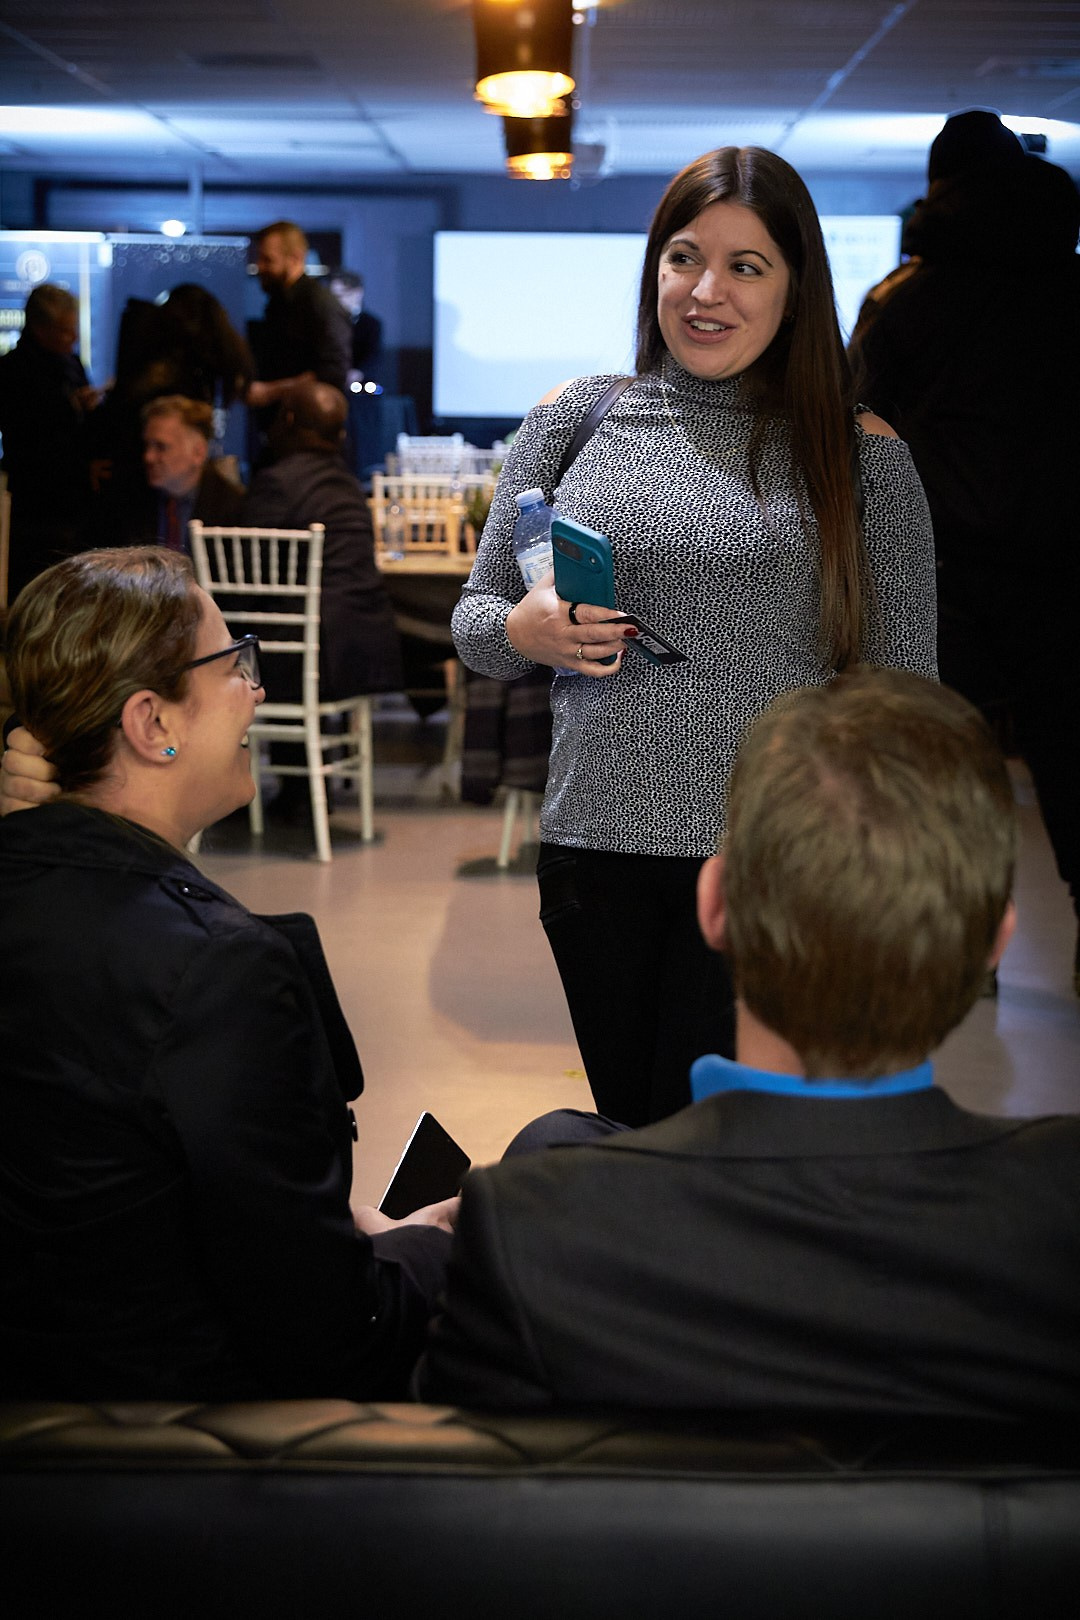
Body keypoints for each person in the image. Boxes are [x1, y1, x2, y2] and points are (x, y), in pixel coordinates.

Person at [416, 669, 1080, 1416]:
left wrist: (412, 1258)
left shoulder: (535, 1226)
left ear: (715, 906)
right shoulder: (1058, 1226)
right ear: (998, 941)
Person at [452, 144, 937, 1128]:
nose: (706, 291)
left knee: (727, 1146)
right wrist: (526, 630)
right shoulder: (573, 418)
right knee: (637, 1133)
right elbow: (475, 623)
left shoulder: (862, 455)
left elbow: (907, 695)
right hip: (596, 852)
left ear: (797, 289)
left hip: (775, 865)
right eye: (684, 258)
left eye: (746, 266)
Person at [0, 547, 452, 1401]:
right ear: (151, 722)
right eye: (234, 664)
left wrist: (332, 1227)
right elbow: (328, 1337)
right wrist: (428, 1246)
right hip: (181, 1438)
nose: (259, 691)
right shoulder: (216, 971)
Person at [848, 114, 1080, 996]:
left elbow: (853, 425)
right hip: (1067, 567)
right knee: (1071, 750)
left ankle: (960, 945)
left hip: (940, 566)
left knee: (947, 756)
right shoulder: (1072, 290)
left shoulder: (905, 298)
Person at [242, 380, 402, 701]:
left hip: (307, 654)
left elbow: (245, 576)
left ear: (287, 421)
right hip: (364, 647)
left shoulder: (277, 485)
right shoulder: (348, 487)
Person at [0, 283, 98, 595]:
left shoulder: (70, 364)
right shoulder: (14, 371)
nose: (74, 339)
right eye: (65, 331)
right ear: (40, 329)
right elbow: (32, 439)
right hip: (37, 502)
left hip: (72, 500)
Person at [246, 221, 352, 422]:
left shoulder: (319, 304)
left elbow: (332, 372)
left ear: (295, 258)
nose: (259, 267)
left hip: (311, 431)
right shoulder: (279, 303)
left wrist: (269, 392)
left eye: (267, 260)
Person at [136, 394, 246, 547]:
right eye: (147, 446)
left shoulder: (234, 508)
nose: (148, 457)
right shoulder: (134, 499)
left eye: (161, 447)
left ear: (198, 453)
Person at [328, 267, 384, 377]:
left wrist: (358, 373)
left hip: (361, 385)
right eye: (332, 296)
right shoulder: (326, 322)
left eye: (340, 295)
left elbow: (373, 356)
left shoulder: (371, 324)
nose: (336, 301)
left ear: (358, 293)